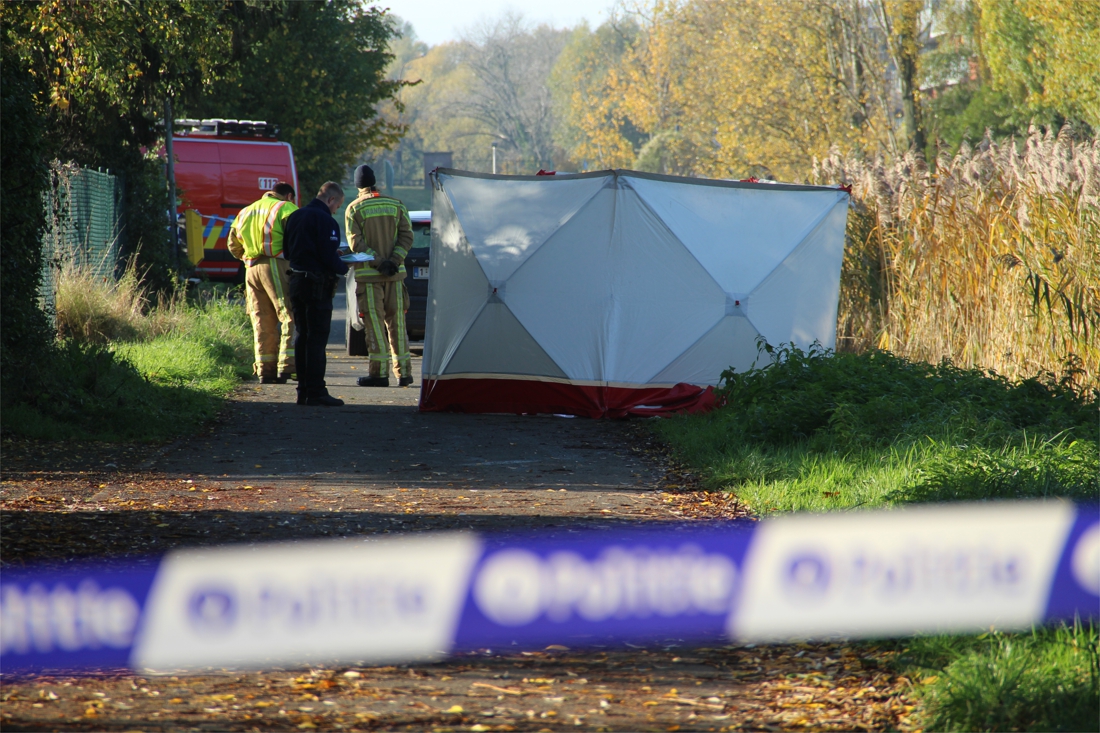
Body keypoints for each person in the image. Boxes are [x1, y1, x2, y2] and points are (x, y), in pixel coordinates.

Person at [345, 164, 415, 388]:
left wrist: (378, 261)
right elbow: (407, 236)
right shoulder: (396, 205)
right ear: (375, 182)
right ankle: (404, 373)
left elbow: (356, 243)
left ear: (358, 186)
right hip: (395, 278)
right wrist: (393, 261)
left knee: (375, 325)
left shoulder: (354, 209)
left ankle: (379, 374)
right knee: (398, 324)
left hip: (370, 278)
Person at [283, 182, 348, 406]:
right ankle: (317, 391)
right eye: (337, 206)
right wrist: (345, 265)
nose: (336, 210)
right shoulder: (325, 220)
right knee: (317, 340)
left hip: (297, 281)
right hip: (317, 286)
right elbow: (329, 259)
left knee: (302, 337)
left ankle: (302, 390)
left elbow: (288, 251)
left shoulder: (295, 216)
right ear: (331, 200)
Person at [227, 182, 298, 383]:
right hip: (276, 265)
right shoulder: (286, 208)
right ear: (289, 196)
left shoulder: (245, 211)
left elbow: (233, 245)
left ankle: (265, 371)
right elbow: (296, 238)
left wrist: (247, 257)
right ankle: (287, 366)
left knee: (261, 320)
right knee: (288, 315)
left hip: (251, 269)